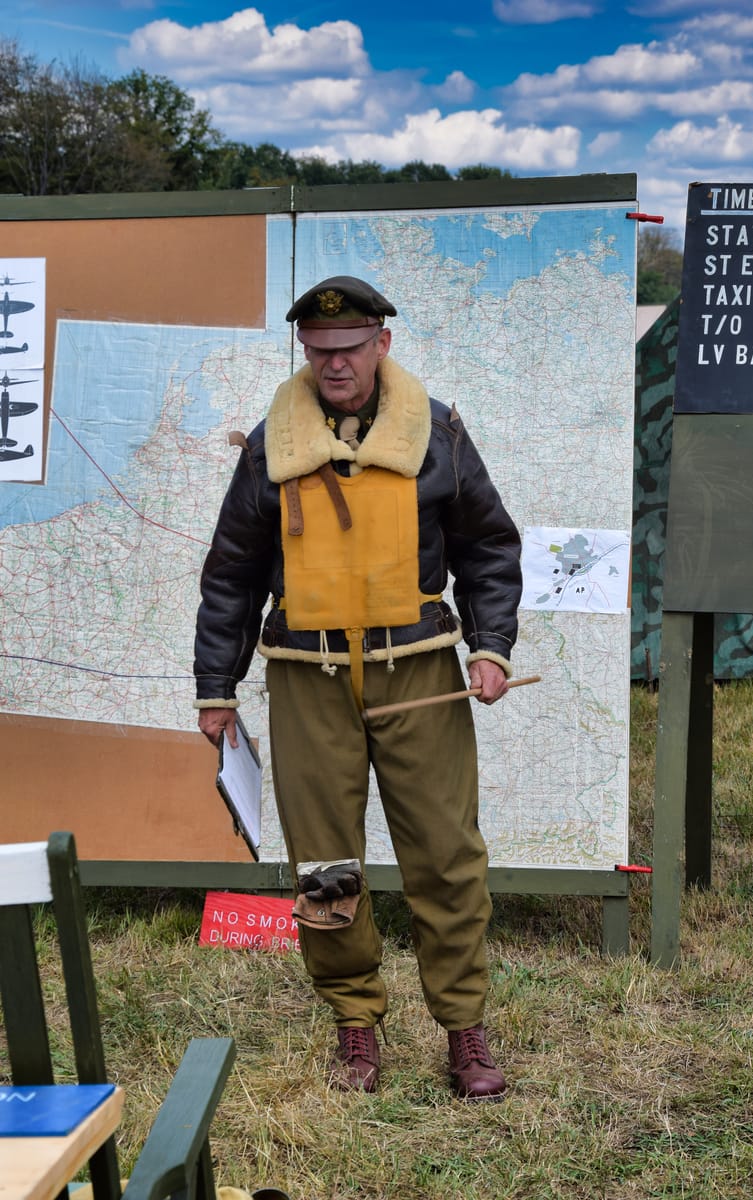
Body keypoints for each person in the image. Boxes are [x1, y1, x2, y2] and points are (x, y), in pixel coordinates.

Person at [194, 276, 522, 1101]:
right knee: (325, 865)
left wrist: (492, 648)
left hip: (419, 671)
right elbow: (231, 572)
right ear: (305, 351)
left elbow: (487, 545)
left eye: (349, 348)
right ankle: (354, 1027)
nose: (334, 365)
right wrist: (215, 688)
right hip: (307, 679)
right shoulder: (272, 444)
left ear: (382, 343)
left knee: (446, 854)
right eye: (318, 351)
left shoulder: (437, 431)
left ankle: (464, 1030)